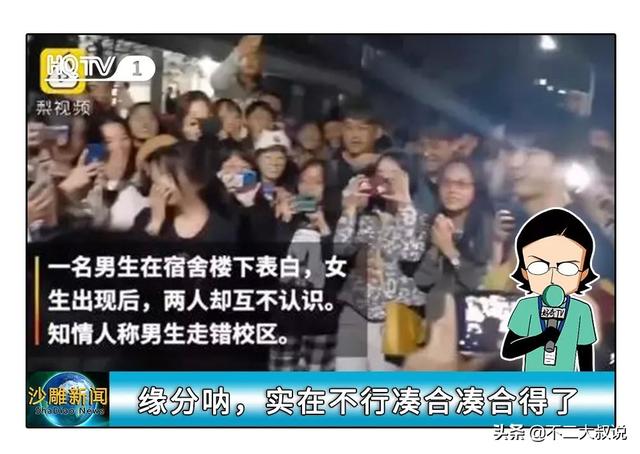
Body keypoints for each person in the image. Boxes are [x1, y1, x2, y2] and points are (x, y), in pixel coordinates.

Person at [333, 152, 428, 370]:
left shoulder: (420, 218)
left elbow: (410, 254)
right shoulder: (367, 215)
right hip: (356, 310)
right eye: (380, 173)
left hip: (398, 317)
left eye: (393, 174)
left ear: (407, 178)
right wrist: (349, 208)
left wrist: (405, 206)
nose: (385, 179)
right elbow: (341, 248)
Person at [501, 208, 598, 371]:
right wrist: (540, 339)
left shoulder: (582, 310)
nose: (553, 276)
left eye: (567, 267)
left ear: (583, 274)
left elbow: (586, 354)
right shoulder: (526, 307)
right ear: (525, 272)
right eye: (539, 266)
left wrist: (588, 384)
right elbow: (508, 350)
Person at [268, 160, 340, 370]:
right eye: (303, 181)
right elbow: (271, 260)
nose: (309, 187)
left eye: (317, 182)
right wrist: (283, 221)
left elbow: (339, 266)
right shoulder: (286, 216)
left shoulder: (338, 219)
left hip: (321, 316)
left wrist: (323, 227)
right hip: (286, 314)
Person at [411, 159, 494, 322]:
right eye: (446, 183)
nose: (452, 190)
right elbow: (422, 281)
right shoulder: (431, 224)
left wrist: (449, 250)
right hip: (433, 317)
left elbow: (481, 285)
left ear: (476, 189)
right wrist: (435, 248)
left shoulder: (488, 228)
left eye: (461, 184)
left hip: (473, 319)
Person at [133, 140, 238, 242]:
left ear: (197, 180)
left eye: (168, 177)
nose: (159, 185)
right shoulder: (146, 218)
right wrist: (155, 223)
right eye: (155, 178)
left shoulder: (227, 224)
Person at [327, 102, 382, 192]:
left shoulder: (388, 166)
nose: (355, 135)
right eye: (349, 128)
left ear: (378, 132)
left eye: (362, 128)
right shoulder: (331, 167)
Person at [210, 35, 264, 103]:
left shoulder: (263, 95)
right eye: (246, 55)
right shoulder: (225, 83)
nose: (250, 60)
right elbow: (217, 80)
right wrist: (240, 51)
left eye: (255, 56)